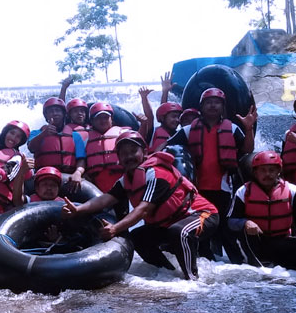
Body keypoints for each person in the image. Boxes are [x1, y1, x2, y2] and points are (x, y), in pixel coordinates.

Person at [62, 131, 219, 280]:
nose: (129, 156)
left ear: (144, 152)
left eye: (133, 151)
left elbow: (143, 210)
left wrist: (115, 228)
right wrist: (78, 209)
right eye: (123, 154)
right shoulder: (126, 180)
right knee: (138, 237)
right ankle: (168, 274)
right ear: (119, 158)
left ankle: (191, 280)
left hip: (201, 214)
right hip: (168, 223)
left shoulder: (156, 173)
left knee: (179, 232)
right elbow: (105, 199)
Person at [165, 87, 257, 262]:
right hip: (197, 190)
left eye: (217, 102)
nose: (213, 106)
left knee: (225, 229)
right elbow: (168, 148)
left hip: (223, 189)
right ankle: (206, 265)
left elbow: (247, 149)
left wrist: (249, 128)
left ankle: (237, 265)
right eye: (209, 102)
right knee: (202, 230)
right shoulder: (188, 130)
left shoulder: (232, 128)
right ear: (201, 106)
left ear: (223, 106)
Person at [227, 150, 296, 270]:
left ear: (278, 172)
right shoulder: (243, 192)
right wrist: (245, 223)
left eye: (271, 170)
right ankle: (257, 266)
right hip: (257, 243)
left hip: (282, 240)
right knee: (248, 241)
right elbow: (230, 221)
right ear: (255, 173)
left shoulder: (291, 190)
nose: (267, 174)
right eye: (263, 170)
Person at [27, 97, 86, 192]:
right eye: (51, 111)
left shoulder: (75, 136)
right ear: (46, 115)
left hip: (69, 178)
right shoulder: (36, 133)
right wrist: (44, 135)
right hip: (44, 178)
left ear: (64, 114)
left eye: (58, 110)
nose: (54, 113)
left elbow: (81, 159)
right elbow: (31, 148)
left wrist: (78, 173)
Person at [84, 102, 131, 193]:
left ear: (111, 119)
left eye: (106, 117)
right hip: (96, 185)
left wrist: (144, 124)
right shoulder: (86, 138)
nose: (103, 121)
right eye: (98, 118)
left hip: (121, 181)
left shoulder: (123, 133)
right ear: (92, 121)